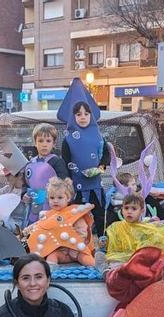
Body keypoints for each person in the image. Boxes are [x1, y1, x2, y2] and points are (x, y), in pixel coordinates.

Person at [58, 78, 111, 235]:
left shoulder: (99, 136)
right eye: (79, 114)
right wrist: (67, 179)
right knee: (75, 216)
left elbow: (106, 154)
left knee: (100, 216)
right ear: (73, 116)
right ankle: (77, 241)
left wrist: (101, 166)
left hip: (95, 186)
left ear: (91, 115)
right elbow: (65, 159)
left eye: (86, 113)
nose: (83, 117)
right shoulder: (68, 138)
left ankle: (102, 240)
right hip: (77, 187)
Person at [26, 177, 95, 266]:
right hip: (61, 251)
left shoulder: (73, 212)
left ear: (68, 198)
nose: (55, 201)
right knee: (52, 256)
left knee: (85, 258)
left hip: (77, 250)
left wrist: (75, 249)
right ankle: (52, 272)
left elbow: (83, 230)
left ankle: (97, 268)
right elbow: (40, 225)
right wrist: (28, 229)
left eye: (60, 197)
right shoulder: (49, 214)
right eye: (52, 197)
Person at [104, 193, 164, 266]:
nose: (129, 212)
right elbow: (112, 250)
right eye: (126, 208)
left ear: (142, 210)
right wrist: (103, 243)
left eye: (134, 208)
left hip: (141, 262)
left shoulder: (148, 229)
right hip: (120, 262)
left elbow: (158, 248)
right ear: (122, 209)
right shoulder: (115, 227)